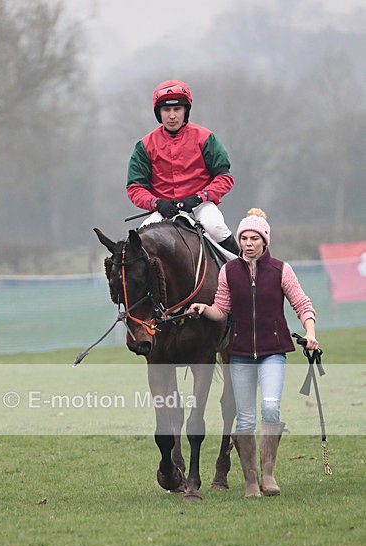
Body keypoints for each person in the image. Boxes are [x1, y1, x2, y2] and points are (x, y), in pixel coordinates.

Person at [188, 209, 318, 498]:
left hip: (274, 352)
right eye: (244, 238)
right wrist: (203, 308)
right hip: (241, 353)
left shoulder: (281, 270)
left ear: (264, 241)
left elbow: (302, 304)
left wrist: (310, 333)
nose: (248, 243)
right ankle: (250, 481)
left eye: (254, 238)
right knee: (244, 420)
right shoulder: (228, 271)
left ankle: (268, 474)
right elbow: (221, 310)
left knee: (270, 407)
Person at [126, 79, 239, 255]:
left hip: (200, 206)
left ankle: (244, 269)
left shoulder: (207, 138)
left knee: (215, 227)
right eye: (166, 110)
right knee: (141, 241)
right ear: (159, 113)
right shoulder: (144, 146)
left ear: (185, 111)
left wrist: (199, 197)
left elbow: (224, 178)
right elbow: (135, 188)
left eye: (177, 109)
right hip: (164, 211)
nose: (172, 116)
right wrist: (157, 203)